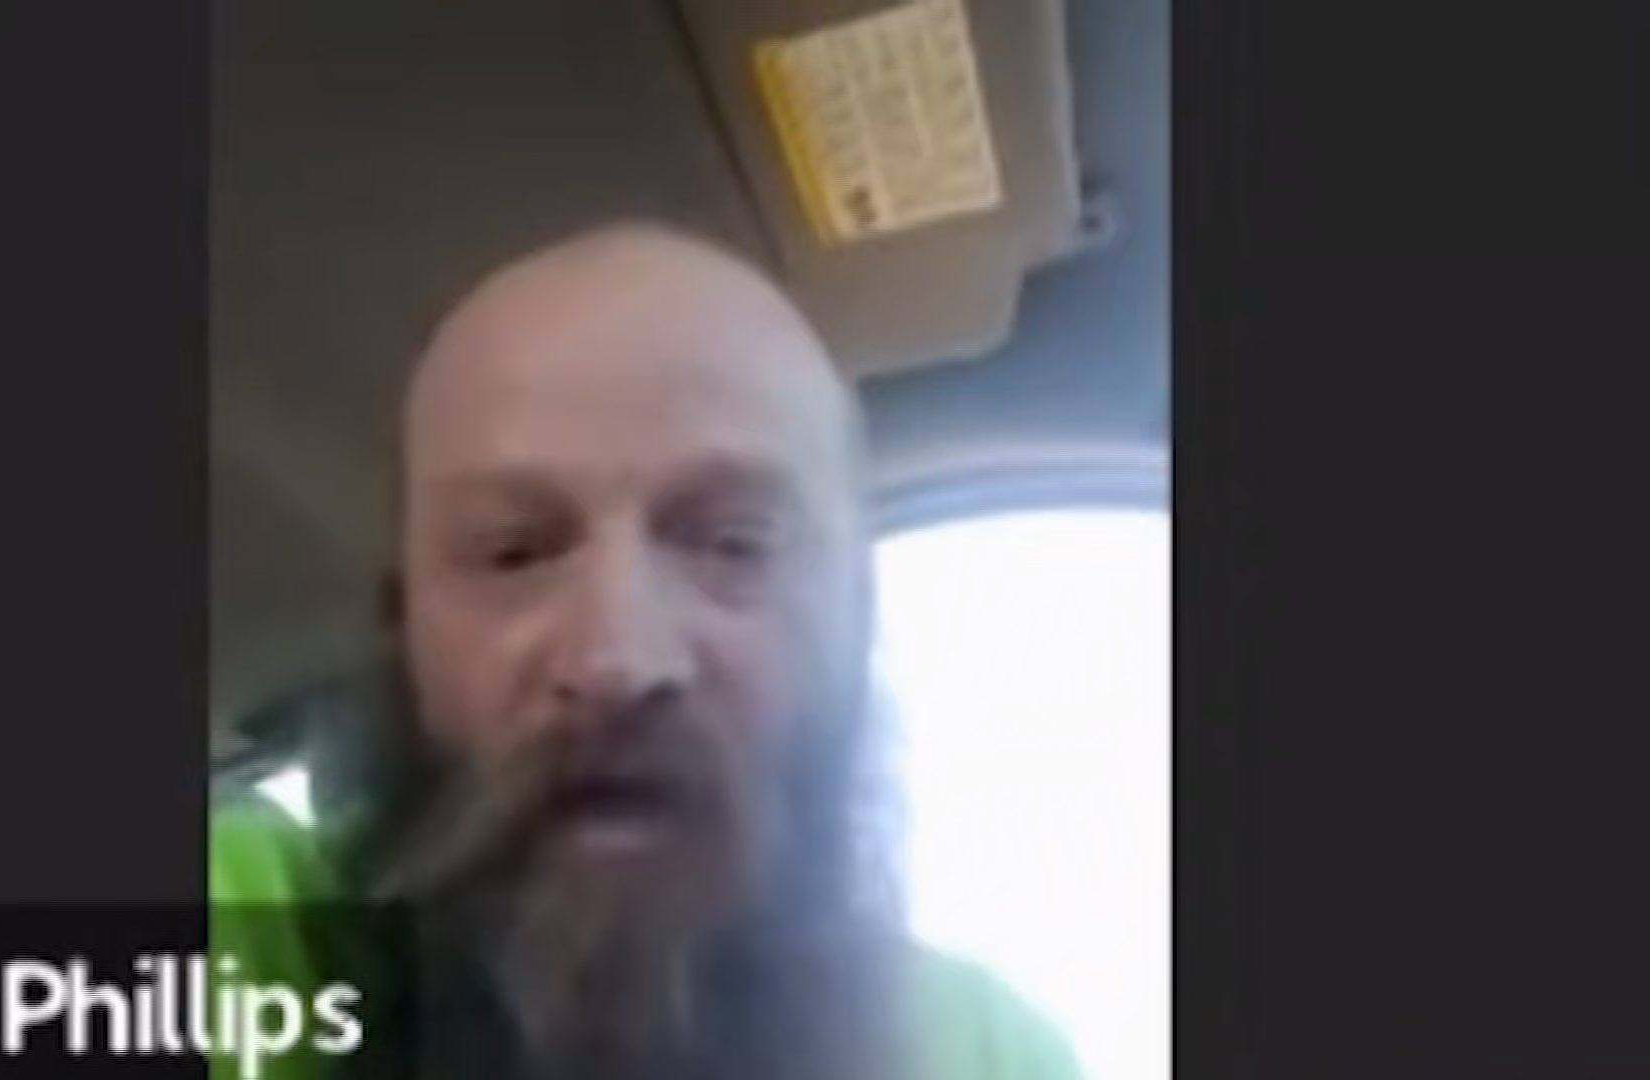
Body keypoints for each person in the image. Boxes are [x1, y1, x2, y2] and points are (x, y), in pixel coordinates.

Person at [211, 222, 1082, 1080]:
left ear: (858, 615)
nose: (616, 662)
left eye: (734, 544)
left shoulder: (988, 1056)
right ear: (401, 632)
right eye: (513, 551)